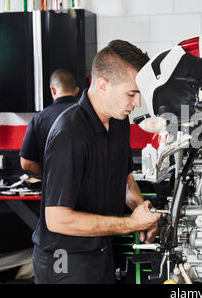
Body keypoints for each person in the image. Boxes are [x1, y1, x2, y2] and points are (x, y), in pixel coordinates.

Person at [32, 40, 161, 284]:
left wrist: (141, 211)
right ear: (103, 85)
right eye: (132, 93)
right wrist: (129, 224)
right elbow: (57, 219)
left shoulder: (120, 122)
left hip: (99, 251)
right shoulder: (70, 133)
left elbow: (125, 179)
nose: (137, 104)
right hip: (64, 258)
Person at [20, 69, 80, 175]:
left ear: (53, 90)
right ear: (76, 90)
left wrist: (51, 174)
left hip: (53, 189)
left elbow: (26, 163)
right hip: (88, 188)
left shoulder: (39, 119)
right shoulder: (91, 114)